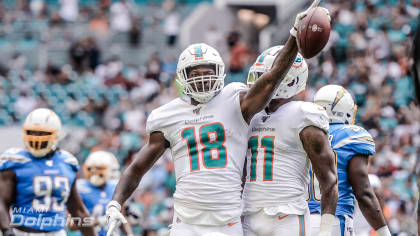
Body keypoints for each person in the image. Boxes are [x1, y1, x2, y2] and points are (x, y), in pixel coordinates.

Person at [105, 1, 324, 235]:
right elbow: (137, 167)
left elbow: (272, 79)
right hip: (185, 221)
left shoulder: (236, 102)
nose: (202, 79)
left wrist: (292, 37)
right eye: (195, 74)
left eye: (208, 72)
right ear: (182, 77)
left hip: (227, 221)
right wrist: (116, 201)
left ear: (220, 72)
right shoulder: (166, 115)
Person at [242, 46, 337, 236]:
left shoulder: (304, 115)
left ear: (289, 79)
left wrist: (326, 231)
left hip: (288, 216)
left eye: (266, 76)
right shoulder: (251, 115)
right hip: (249, 215)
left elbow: (329, 181)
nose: (261, 82)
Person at [309, 85, 391, 236]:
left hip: (299, 222)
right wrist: (385, 233)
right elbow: (363, 194)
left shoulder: (304, 135)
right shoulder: (350, 136)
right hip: (334, 219)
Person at [0, 108, 96, 236]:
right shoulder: (15, 161)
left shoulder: (67, 162)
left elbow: (78, 210)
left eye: (42, 133)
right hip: (21, 232)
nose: (36, 138)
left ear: (56, 135)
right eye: (31, 132)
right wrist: (7, 231)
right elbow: (1, 202)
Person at [68, 151, 132, 236]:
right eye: (90, 169)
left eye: (99, 169)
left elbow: (121, 218)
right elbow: (72, 225)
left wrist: (130, 234)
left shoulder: (115, 187)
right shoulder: (80, 188)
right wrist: (99, 221)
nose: (95, 173)